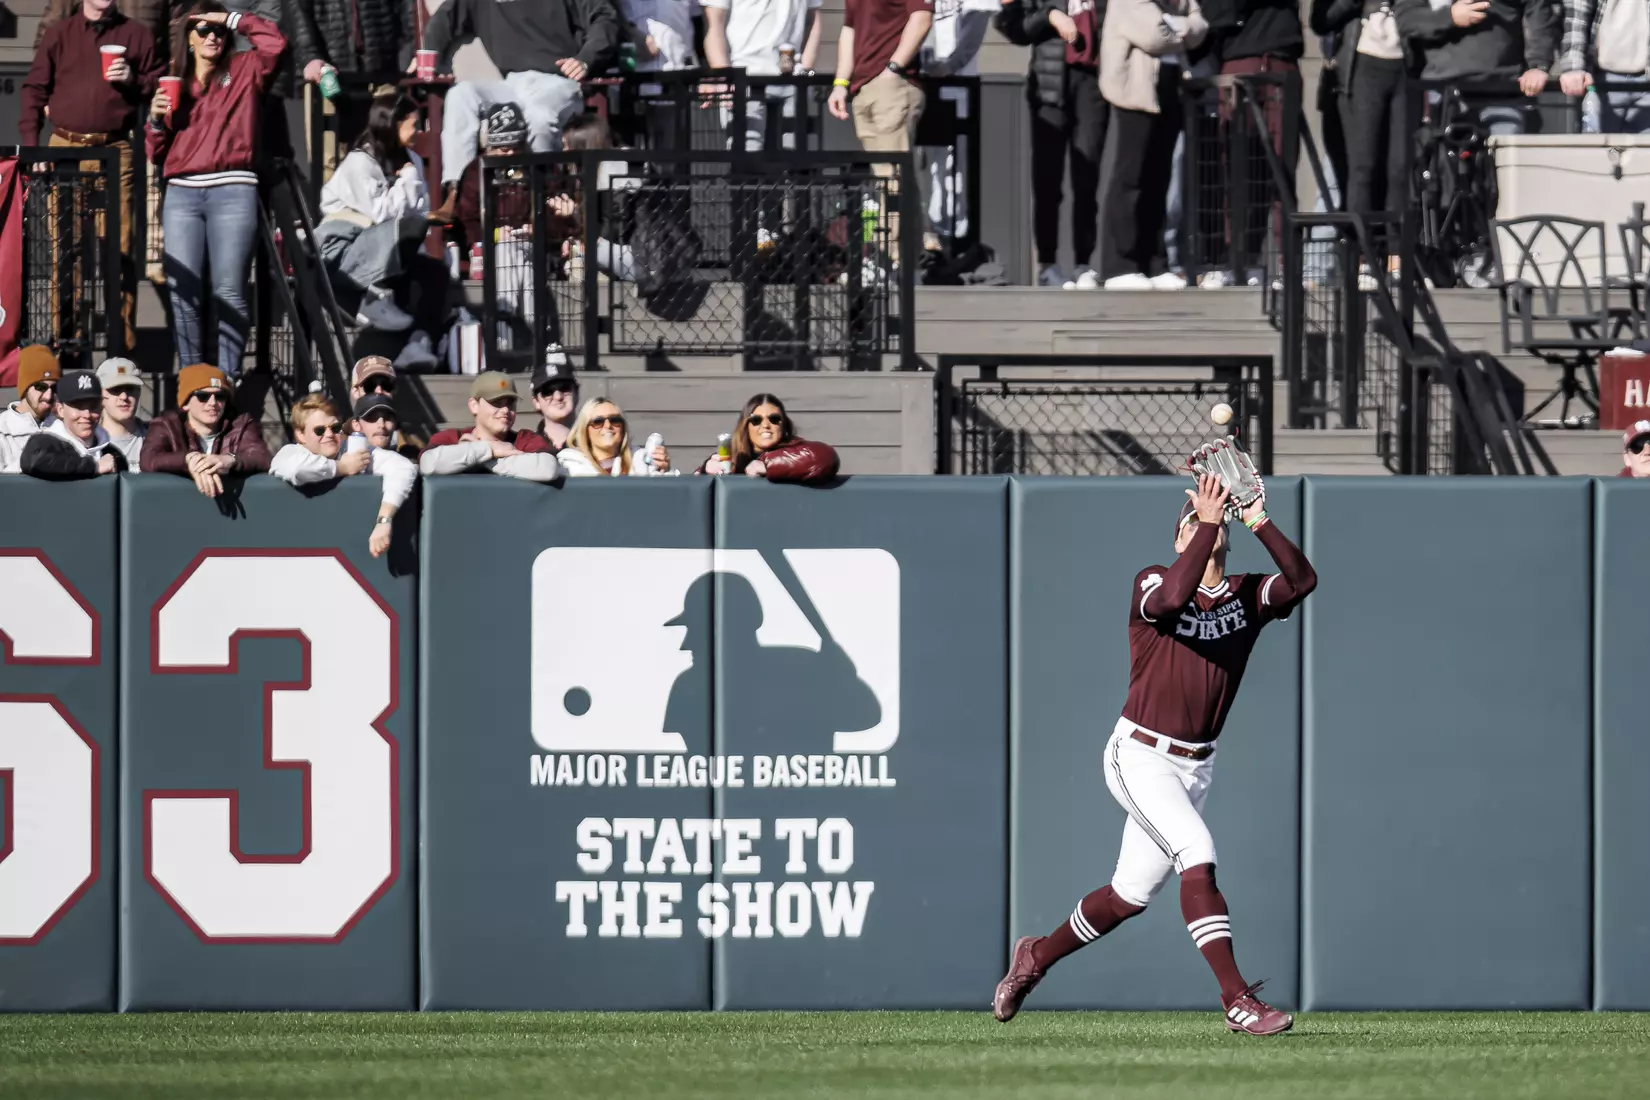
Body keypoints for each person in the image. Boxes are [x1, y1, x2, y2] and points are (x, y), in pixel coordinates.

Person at [993, 473, 1317, 1035]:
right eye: (1190, 522)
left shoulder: (1245, 593)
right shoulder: (1154, 579)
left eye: (1207, 520)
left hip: (1196, 763)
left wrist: (1258, 519)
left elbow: (1303, 580)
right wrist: (1210, 521)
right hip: (1139, 753)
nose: (1202, 523)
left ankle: (1035, 957)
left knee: (1130, 894)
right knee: (1197, 850)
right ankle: (1237, 1000)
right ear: (1179, 541)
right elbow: (1171, 599)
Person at [147, 3, 287, 376]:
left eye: (218, 31)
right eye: (203, 30)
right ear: (188, 39)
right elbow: (156, 151)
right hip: (182, 193)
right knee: (184, 296)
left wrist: (235, 19)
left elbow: (275, 45)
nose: (212, 36)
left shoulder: (244, 69)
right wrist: (155, 121)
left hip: (233, 188)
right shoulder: (172, 78)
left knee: (229, 292)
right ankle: (193, 382)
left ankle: (227, 380)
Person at [22, 0, 165, 352]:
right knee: (66, 248)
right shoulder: (60, 34)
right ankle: (67, 338)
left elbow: (159, 84)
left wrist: (133, 79)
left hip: (116, 149)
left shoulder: (136, 34)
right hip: (65, 146)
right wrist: (33, 146)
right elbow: (34, 90)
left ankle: (122, 341)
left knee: (120, 247)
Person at [422, 0, 622, 221]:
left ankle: (543, 202)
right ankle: (456, 195)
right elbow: (445, 17)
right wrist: (427, 55)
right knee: (461, 95)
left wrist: (586, 59)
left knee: (538, 116)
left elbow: (604, 15)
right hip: (511, 82)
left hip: (557, 81)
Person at [317, 92, 446, 363]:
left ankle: (417, 344)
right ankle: (372, 300)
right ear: (392, 124)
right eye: (413, 125)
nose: (418, 132)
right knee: (409, 230)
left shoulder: (411, 158)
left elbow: (419, 206)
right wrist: (408, 179)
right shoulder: (359, 162)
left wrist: (410, 180)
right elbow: (383, 214)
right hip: (343, 249)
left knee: (436, 273)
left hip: (384, 246)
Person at [997, 0, 1108, 288]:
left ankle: (1084, 263)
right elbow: (1014, 28)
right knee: (1048, 181)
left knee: (1088, 177)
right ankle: (1048, 264)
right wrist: (1049, 15)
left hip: (1092, 79)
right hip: (1048, 85)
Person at [1097, 0, 1207, 288]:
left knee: (1159, 179)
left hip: (1170, 84)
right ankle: (1119, 266)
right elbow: (1153, 35)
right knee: (1130, 177)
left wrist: (1175, 25)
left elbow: (1201, 26)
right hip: (1137, 89)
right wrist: (1181, 27)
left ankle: (1155, 263)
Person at [828, 0, 935, 265]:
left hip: (892, 87)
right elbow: (850, 29)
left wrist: (893, 69)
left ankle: (891, 260)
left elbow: (922, 17)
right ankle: (907, 262)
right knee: (888, 178)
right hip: (863, 88)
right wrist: (841, 82)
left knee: (892, 178)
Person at [1314, 0, 1410, 280]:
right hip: (1359, 68)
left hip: (1404, 67)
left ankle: (1396, 259)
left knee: (1398, 169)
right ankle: (1362, 258)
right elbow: (1321, 20)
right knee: (1361, 168)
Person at [270, 391, 416, 557]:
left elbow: (404, 468)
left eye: (335, 427)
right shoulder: (291, 452)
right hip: (298, 548)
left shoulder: (354, 449)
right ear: (300, 435)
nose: (329, 434)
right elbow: (296, 469)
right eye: (319, 430)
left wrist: (384, 521)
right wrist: (341, 467)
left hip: (351, 550)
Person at [1395, 0, 1558, 136]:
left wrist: (1538, 66)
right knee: (1437, 166)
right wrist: (1450, 16)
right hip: (1440, 94)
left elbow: (1539, 17)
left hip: (1502, 94)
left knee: (1505, 166)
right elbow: (1407, 21)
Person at [918, 0, 996, 253]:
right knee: (922, 165)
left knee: (953, 168)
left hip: (958, 85)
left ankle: (951, 241)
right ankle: (925, 237)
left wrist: (949, 65)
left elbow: (975, 27)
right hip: (916, 83)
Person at [701, 0, 824, 151]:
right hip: (744, 78)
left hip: (793, 79)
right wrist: (724, 76)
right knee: (747, 159)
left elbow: (813, 20)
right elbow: (713, 24)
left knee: (793, 162)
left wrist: (806, 69)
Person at [140, 362, 273, 495]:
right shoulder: (167, 425)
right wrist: (188, 460)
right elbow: (148, 459)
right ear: (185, 404)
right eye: (203, 396)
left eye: (220, 396)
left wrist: (230, 460)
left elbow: (262, 458)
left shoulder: (241, 425)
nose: (213, 403)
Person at [418, 371, 563, 481]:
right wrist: (488, 449)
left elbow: (547, 468)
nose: (505, 410)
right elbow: (428, 463)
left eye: (510, 403)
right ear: (474, 406)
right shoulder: (453, 437)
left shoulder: (525, 439)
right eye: (496, 402)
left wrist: (488, 459)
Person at [697, 393, 839, 482]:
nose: (765, 425)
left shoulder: (796, 449)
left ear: (784, 425)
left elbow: (826, 457)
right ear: (746, 426)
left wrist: (767, 465)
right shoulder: (733, 456)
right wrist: (705, 469)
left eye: (774, 419)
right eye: (756, 420)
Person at [19, 369, 129, 480]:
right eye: (78, 407)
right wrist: (94, 467)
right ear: (60, 409)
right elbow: (34, 462)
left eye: (93, 407)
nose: (87, 414)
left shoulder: (111, 453)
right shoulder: (44, 443)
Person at [1559, 0, 1650, 134]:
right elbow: (1577, 17)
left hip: (1646, 80)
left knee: (1644, 153)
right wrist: (1573, 67)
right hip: (1601, 79)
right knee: (1597, 151)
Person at [558, 396, 673, 476]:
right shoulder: (568, 466)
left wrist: (664, 470)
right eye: (598, 421)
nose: (608, 425)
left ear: (623, 427)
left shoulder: (642, 461)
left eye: (615, 420)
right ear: (585, 430)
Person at [0, 347, 63, 474]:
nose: (48, 396)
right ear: (25, 387)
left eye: (55, 388)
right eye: (41, 387)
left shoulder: (63, 426)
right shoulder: (3, 430)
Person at [97, 355, 148, 470]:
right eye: (115, 389)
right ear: (100, 395)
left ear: (138, 393)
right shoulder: (89, 442)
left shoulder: (155, 438)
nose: (124, 396)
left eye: (130, 388)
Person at [618, 0, 697, 70]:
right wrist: (632, 36)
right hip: (632, 74)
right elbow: (608, 17)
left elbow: (701, 23)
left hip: (680, 71)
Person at [529, 350, 580, 450]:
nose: (558, 397)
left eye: (565, 388)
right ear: (536, 402)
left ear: (577, 393)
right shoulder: (527, 449)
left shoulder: (594, 445)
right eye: (547, 391)